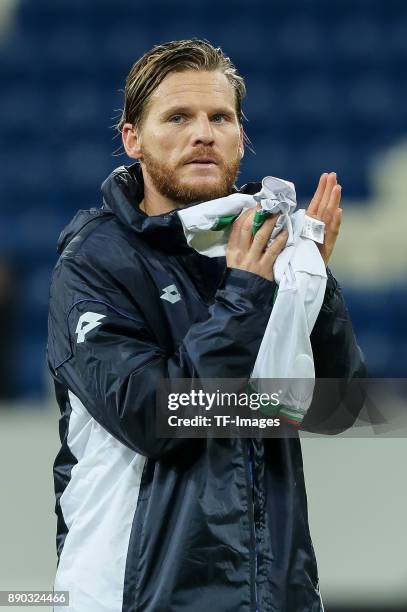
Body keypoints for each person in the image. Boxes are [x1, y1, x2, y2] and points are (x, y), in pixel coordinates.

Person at [47, 39, 367, 612]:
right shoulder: (93, 265)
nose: (204, 133)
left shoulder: (269, 250)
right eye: (178, 117)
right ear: (132, 140)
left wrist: (312, 282)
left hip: (274, 594)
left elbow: (338, 408)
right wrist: (244, 297)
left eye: (221, 117)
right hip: (135, 595)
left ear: (242, 137)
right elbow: (156, 417)